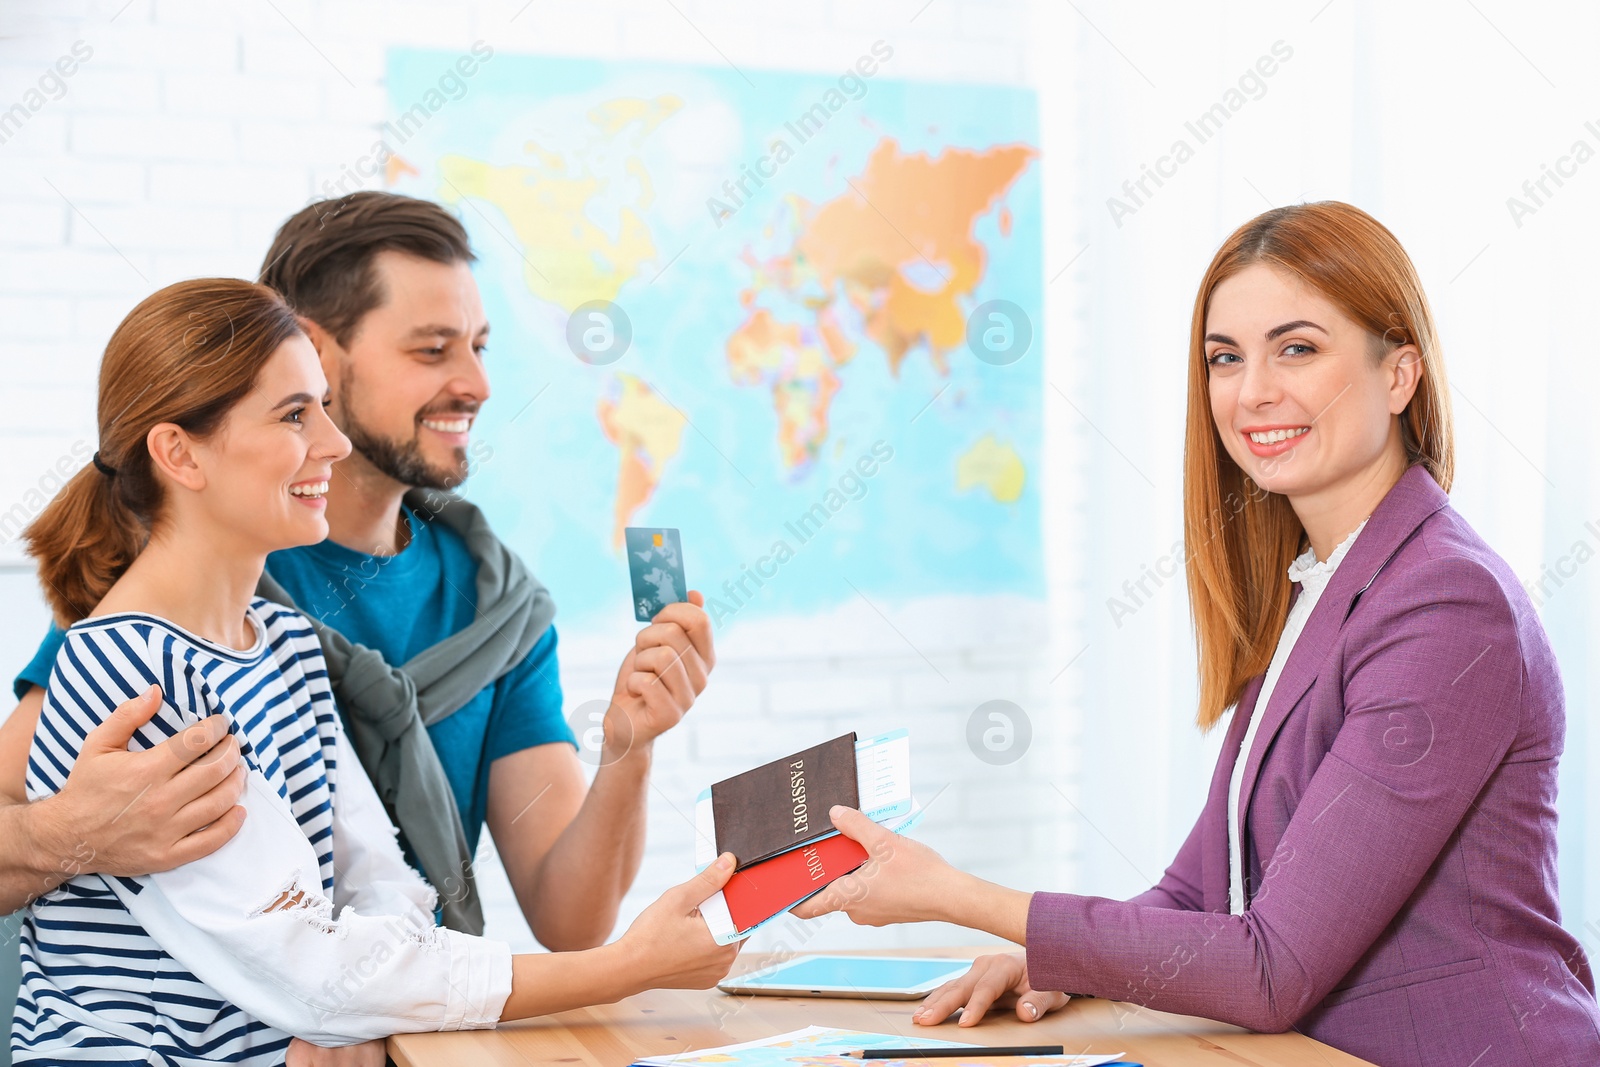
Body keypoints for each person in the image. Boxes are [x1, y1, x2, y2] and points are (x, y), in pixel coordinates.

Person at [793, 202, 1600, 1067]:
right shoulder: (1320, 583)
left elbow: (1271, 966)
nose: (1253, 390)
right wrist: (1056, 960)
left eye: (1298, 348)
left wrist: (956, 895)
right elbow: (1199, 892)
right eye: (1226, 358)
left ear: (1399, 374)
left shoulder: (1445, 603)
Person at [11, 278, 738, 1065]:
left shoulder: (287, 641)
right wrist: (623, 970)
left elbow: (380, 879)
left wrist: (359, 1011)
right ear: (179, 452)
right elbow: (302, 956)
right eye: (295, 414)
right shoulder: (129, 667)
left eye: (323, 406)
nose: (334, 442)